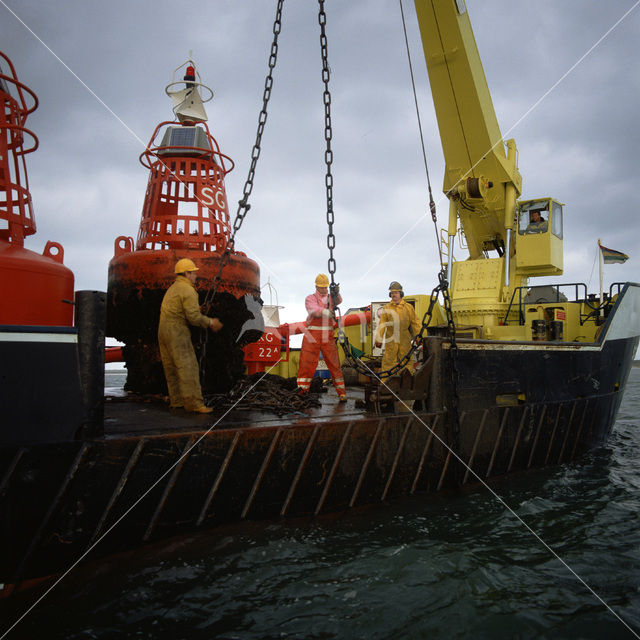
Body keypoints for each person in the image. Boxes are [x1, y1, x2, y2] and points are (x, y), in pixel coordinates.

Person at [158, 258, 223, 413]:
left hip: (163, 331)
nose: (195, 276)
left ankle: (177, 401)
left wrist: (197, 309)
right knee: (188, 367)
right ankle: (195, 404)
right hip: (177, 331)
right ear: (187, 274)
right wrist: (210, 322)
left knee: (171, 368)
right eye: (193, 273)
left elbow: (182, 309)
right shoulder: (188, 290)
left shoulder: (173, 288)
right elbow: (193, 318)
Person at [297, 273, 347, 402]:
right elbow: (312, 309)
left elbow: (339, 301)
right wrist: (324, 311)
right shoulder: (310, 298)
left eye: (325, 287)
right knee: (306, 364)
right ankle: (302, 391)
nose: (324, 290)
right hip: (312, 335)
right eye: (322, 287)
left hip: (327, 335)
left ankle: (342, 393)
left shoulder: (331, 298)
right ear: (316, 286)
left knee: (334, 364)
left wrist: (336, 292)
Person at [374, 281, 421, 375]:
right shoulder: (387, 308)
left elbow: (415, 323)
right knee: (388, 362)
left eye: (395, 293)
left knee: (407, 361)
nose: (393, 295)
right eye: (391, 293)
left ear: (401, 294)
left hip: (405, 338)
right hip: (391, 338)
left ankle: (407, 382)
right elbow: (382, 324)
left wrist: (419, 338)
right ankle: (386, 383)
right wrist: (378, 340)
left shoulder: (408, 307)